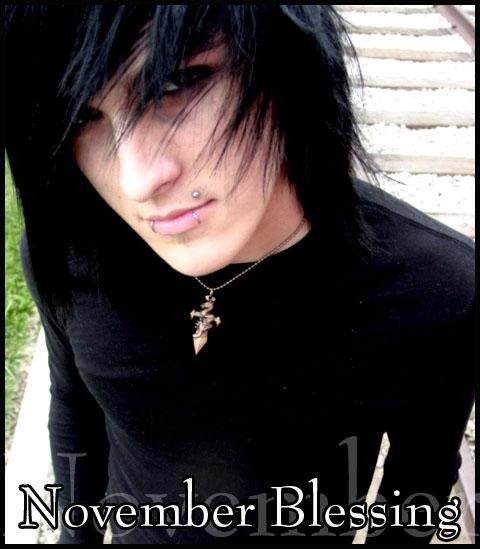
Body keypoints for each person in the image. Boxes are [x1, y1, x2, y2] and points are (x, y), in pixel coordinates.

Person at [5, 5, 474, 545]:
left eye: (176, 83)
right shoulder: (70, 253)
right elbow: (75, 405)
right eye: (83, 117)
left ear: (289, 61)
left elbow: (417, 486)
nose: (137, 180)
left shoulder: (437, 290)